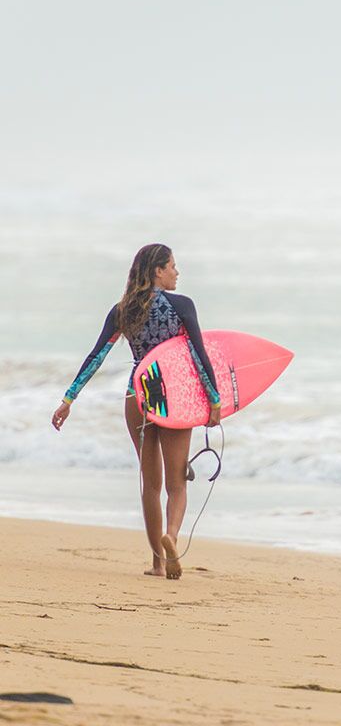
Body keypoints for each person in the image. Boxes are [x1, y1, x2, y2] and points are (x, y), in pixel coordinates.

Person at [51, 243, 221, 580]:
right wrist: (214, 401)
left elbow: (96, 357)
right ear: (158, 270)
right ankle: (171, 537)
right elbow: (200, 357)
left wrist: (68, 399)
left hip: (138, 395)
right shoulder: (182, 305)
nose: (177, 272)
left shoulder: (123, 310)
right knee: (177, 484)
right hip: (173, 396)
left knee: (150, 484)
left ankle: (158, 563)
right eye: (172, 266)